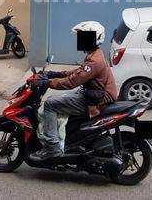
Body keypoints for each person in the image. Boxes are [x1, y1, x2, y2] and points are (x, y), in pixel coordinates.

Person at [28, 21, 118, 162]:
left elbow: (72, 82)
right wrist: (53, 74)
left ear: (94, 39)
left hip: (96, 99)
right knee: (62, 99)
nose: (79, 40)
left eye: (83, 37)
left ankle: (52, 146)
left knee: (50, 104)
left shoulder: (95, 61)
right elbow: (77, 72)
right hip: (90, 94)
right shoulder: (94, 54)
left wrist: (46, 82)